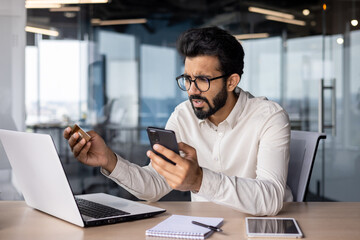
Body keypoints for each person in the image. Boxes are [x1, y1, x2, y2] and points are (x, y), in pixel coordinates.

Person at [64, 26, 292, 216]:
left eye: (202, 80)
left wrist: (200, 180)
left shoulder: (269, 117)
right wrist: (109, 160)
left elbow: (271, 198)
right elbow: (154, 186)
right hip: (206, 228)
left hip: (262, 229)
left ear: (231, 82)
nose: (192, 91)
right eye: (187, 79)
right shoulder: (183, 116)